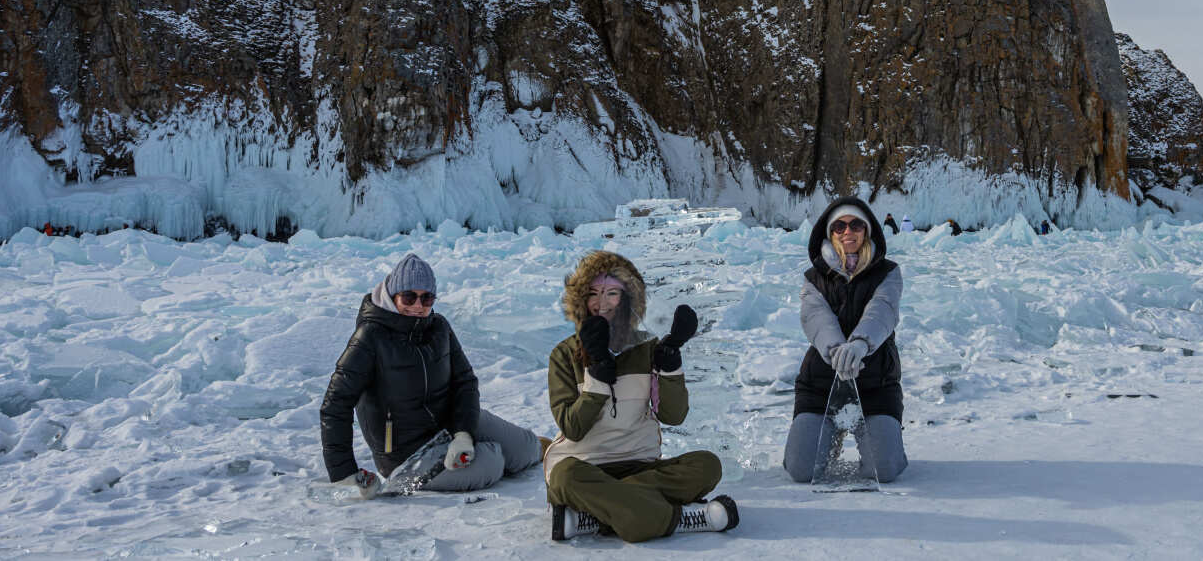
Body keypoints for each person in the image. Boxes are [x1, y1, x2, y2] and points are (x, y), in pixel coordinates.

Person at [543, 250, 738, 542]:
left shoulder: (646, 349)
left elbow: (673, 415)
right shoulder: (563, 354)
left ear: (628, 300)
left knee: (707, 465)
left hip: (639, 463)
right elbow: (572, 427)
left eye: (612, 293)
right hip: (584, 467)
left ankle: (598, 514)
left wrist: (669, 361)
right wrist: (596, 376)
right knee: (564, 476)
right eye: (593, 293)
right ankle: (681, 518)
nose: (602, 304)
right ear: (581, 301)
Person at [321, 252, 543, 497]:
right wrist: (343, 473)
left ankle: (560, 449)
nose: (418, 306)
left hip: (449, 425)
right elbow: (335, 405)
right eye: (409, 297)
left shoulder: (439, 327)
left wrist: (463, 433)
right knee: (493, 461)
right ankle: (471, 454)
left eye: (426, 298)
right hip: (408, 456)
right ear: (393, 295)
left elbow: (465, 382)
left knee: (527, 449)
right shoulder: (370, 338)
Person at [783, 196, 907, 484]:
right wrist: (838, 350)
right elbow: (815, 318)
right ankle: (830, 433)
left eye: (855, 224)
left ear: (867, 230)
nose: (847, 231)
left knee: (884, 469)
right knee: (801, 469)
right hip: (821, 385)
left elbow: (883, 310)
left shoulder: (888, 273)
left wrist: (861, 345)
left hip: (876, 385)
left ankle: (881, 435)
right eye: (839, 226)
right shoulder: (814, 278)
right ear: (830, 233)